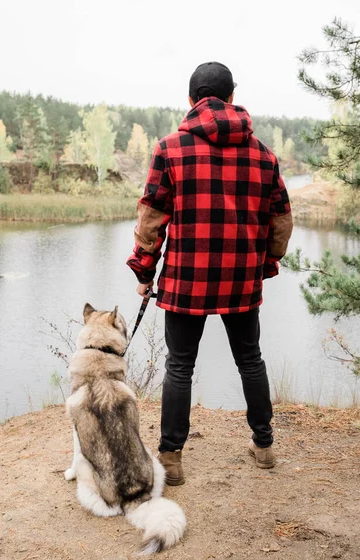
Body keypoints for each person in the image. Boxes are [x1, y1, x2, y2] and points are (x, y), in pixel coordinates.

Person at [127, 62, 293, 485]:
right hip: (241, 278)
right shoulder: (263, 154)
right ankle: (265, 445)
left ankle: (171, 458)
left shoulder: (170, 148)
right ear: (232, 97)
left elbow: (151, 219)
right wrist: (266, 264)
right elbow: (281, 221)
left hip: (187, 278)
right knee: (250, 359)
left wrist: (144, 270)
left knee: (180, 364)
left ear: (191, 100)